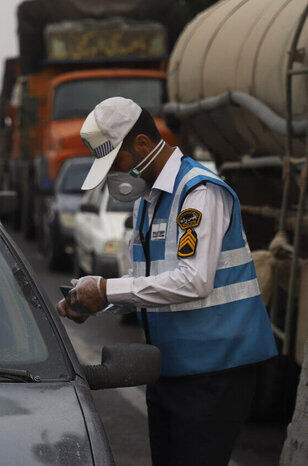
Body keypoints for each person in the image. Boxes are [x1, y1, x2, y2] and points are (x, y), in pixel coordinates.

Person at [57, 97, 277, 466]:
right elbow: (147, 279)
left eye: (118, 162)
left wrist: (108, 290)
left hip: (214, 373)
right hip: (171, 370)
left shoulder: (199, 192)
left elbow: (194, 281)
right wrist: (97, 296)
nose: (116, 173)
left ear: (142, 144)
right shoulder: (150, 200)